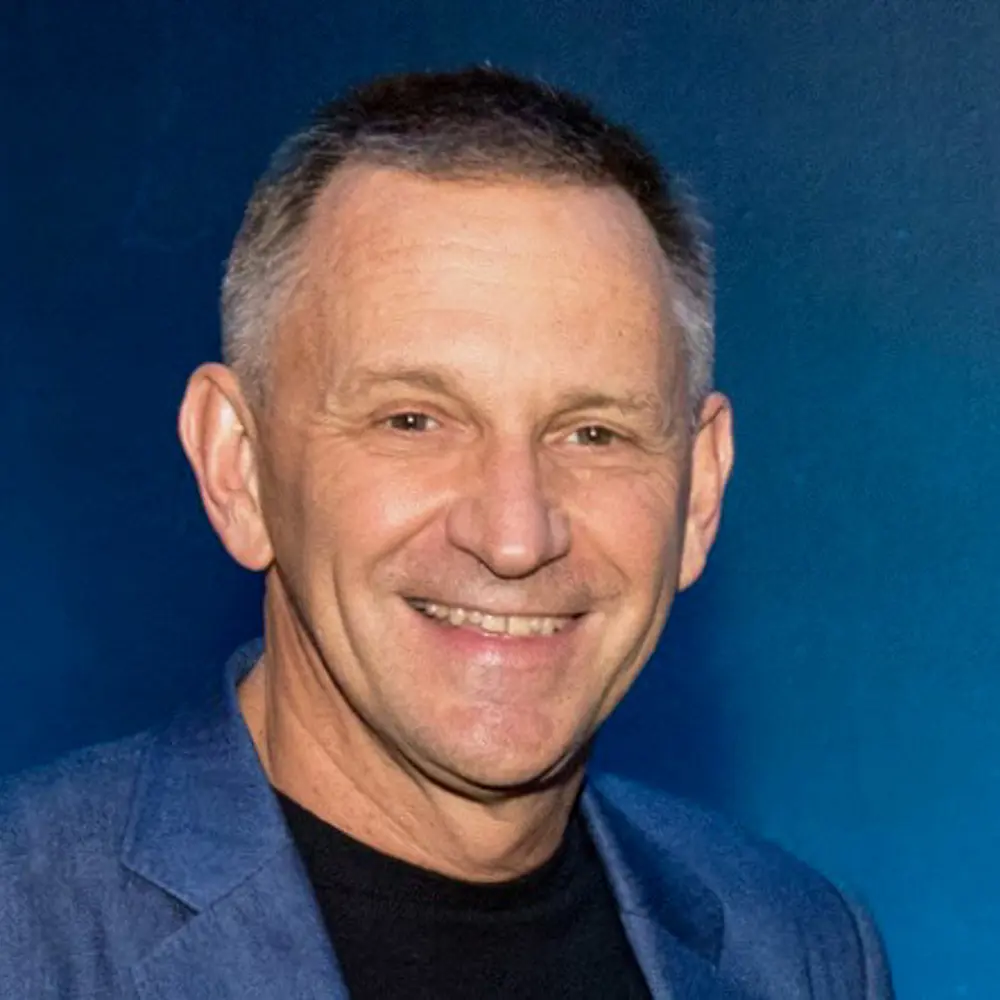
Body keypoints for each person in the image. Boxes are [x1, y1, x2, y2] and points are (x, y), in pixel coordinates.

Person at [0, 67, 893, 999]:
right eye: (413, 421)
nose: (514, 536)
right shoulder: (25, 934)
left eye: (593, 433)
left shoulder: (802, 953)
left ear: (700, 491)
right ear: (239, 468)